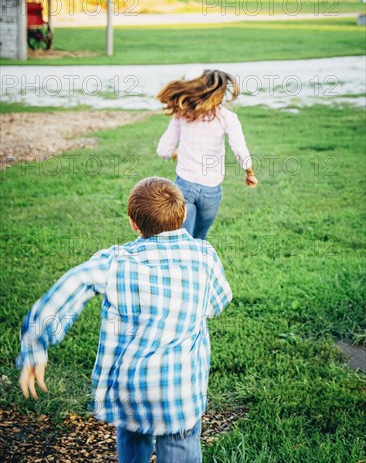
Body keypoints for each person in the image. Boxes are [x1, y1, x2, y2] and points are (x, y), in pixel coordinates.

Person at [17, 177, 232, 463]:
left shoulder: (115, 261)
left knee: (132, 435)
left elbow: (71, 286)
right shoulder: (204, 256)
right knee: (181, 443)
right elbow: (218, 301)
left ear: (133, 222)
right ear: (182, 216)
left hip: (131, 389)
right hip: (180, 392)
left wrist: (35, 345)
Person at [156, 68, 258, 240]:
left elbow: (163, 150)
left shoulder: (183, 114)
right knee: (200, 237)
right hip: (211, 190)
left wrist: (175, 154)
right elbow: (240, 150)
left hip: (184, 186)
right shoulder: (228, 118)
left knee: (182, 237)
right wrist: (250, 173)